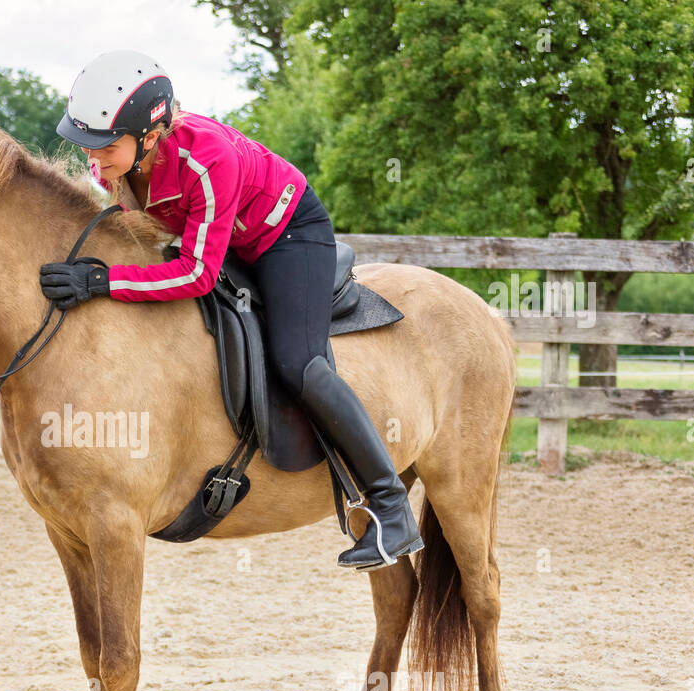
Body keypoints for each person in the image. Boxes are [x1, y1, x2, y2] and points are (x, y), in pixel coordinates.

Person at [39, 50, 422, 569]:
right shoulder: (117, 160)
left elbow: (197, 274)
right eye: (86, 144)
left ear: (150, 137)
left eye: (105, 146)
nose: (94, 159)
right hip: (222, 236)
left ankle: (391, 506)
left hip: (288, 237)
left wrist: (104, 281)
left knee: (296, 361)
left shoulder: (208, 156)